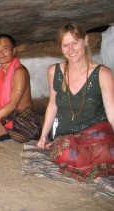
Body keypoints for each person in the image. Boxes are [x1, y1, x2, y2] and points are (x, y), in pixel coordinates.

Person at [37, 22, 114, 181]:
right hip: (67, 135)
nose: (70, 49)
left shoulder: (102, 73)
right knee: (68, 151)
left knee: (106, 150)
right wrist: (43, 137)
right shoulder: (54, 71)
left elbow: (112, 113)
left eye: (74, 43)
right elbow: (53, 104)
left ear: (85, 41)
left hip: (96, 132)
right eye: (65, 45)